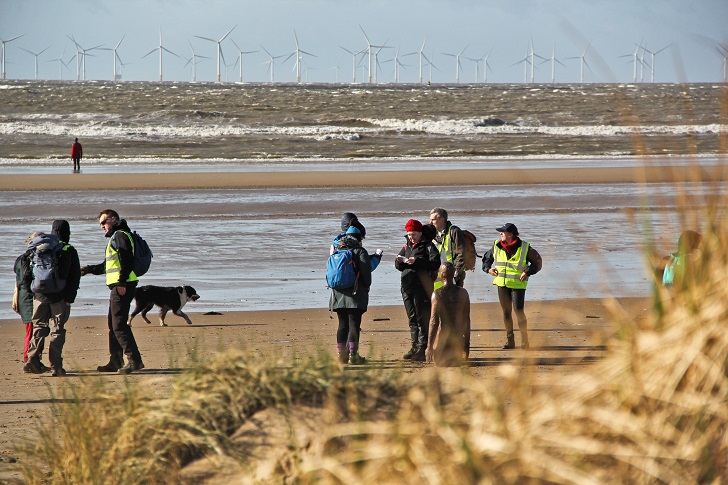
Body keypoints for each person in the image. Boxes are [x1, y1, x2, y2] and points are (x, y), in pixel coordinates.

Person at [81, 209, 144, 374]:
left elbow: (127, 259)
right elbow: (106, 265)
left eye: (104, 222)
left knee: (119, 325)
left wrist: (122, 281)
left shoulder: (120, 235)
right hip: (119, 285)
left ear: (114, 219)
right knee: (113, 324)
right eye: (100, 224)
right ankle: (115, 361)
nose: (102, 226)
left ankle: (134, 361)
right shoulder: (117, 237)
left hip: (123, 285)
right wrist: (87, 269)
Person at [24, 221, 81, 376]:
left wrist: (31, 293)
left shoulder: (39, 248)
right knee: (57, 330)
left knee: (39, 327)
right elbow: (74, 276)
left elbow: (27, 273)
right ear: (68, 233)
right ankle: (56, 365)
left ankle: (32, 359)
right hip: (60, 297)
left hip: (39, 295)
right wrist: (70, 297)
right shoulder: (68, 249)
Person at [481, 223, 542, 350]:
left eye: (502, 232)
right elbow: (486, 260)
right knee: (506, 312)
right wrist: (488, 270)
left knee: (519, 312)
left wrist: (527, 272)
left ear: (511, 234)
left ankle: (525, 341)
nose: (500, 234)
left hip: (517, 285)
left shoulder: (525, 247)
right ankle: (510, 341)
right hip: (501, 284)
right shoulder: (497, 245)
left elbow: (537, 262)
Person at [394, 218, 440, 361]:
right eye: (409, 234)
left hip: (422, 286)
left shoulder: (428, 246)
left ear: (420, 233)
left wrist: (417, 261)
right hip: (407, 286)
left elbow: (435, 263)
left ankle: (423, 347)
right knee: (412, 318)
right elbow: (398, 266)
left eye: (413, 234)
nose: (411, 237)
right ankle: (414, 346)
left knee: (422, 318)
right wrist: (399, 262)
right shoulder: (407, 246)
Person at [329, 225, 372, 365]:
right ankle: (353, 355)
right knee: (354, 323)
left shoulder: (337, 250)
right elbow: (366, 272)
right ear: (359, 239)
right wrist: (367, 286)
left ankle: (342, 356)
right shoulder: (360, 251)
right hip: (355, 292)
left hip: (338, 294)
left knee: (342, 325)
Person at [13, 231, 48, 369]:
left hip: (23, 298)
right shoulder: (33, 258)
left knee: (31, 330)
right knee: (33, 331)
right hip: (30, 299)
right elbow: (28, 280)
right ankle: (30, 360)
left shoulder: (21, 258)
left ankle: (31, 359)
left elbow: (19, 278)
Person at [426, 262, 471, 367]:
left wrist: (429, 346)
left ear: (441, 275)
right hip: (458, 342)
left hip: (442, 342)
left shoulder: (437, 294)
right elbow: (466, 321)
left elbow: (433, 322)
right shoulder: (463, 293)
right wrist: (467, 345)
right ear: (454, 274)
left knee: (440, 363)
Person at [429, 208, 468, 289]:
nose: (430, 222)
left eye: (433, 220)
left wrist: (457, 271)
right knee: (438, 298)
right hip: (438, 273)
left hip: (453, 273)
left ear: (442, 220)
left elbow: (462, 253)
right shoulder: (432, 233)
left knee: (453, 299)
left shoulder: (454, 231)